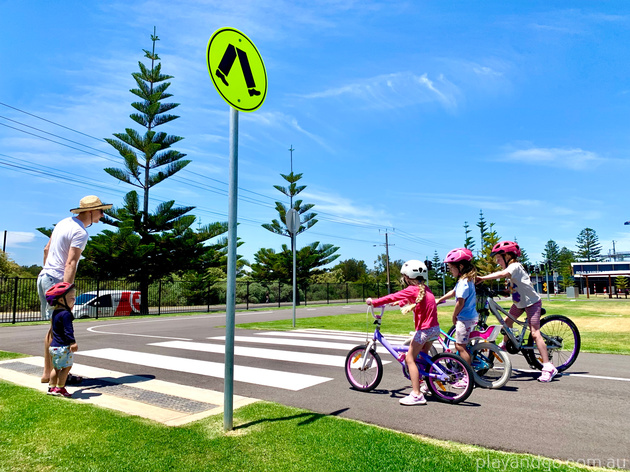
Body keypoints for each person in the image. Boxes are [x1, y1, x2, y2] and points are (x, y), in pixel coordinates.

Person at [37, 195, 112, 383]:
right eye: (101, 211)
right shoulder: (80, 232)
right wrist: (65, 292)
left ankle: (48, 373)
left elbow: (46, 250)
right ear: (90, 211)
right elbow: (70, 262)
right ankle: (57, 376)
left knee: (53, 328)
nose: (102, 215)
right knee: (60, 329)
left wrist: (48, 272)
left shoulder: (62, 223)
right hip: (57, 279)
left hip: (45, 276)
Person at [477, 241, 558, 382]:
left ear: (507, 255)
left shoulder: (515, 266)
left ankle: (548, 367)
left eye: (499, 258)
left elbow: (502, 273)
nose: (497, 261)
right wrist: (498, 292)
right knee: (506, 323)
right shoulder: (511, 272)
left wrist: (482, 278)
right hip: (519, 304)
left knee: (534, 333)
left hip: (532, 303)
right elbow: (510, 291)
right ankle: (505, 345)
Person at [366, 260, 439, 406]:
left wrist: (374, 302)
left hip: (424, 330)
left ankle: (417, 395)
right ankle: (428, 385)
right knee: (423, 358)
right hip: (434, 330)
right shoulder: (425, 288)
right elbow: (413, 299)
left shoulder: (412, 289)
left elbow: (393, 295)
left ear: (407, 277)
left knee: (409, 359)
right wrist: (399, 303)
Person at [436, 248, 478, 387]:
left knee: (460, 346)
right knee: (462, 345)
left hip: (464, 318)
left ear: (460, 266)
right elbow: (453, 292)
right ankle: (461, 370)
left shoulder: (464, 282)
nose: (450, 270)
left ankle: (467, 377)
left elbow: (460, 302)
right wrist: (439, 299)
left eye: (451, 267)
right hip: (471, 317)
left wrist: (454, 316)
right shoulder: (466, 280)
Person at [45, 282, 78, 398]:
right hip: (63, 347)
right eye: (71, 298)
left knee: (56, 368)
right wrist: (72, 342)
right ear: (61, 300)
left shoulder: (55, 313)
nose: (73, 301)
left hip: (54, 346)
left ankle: (52, 386)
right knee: (66, 367)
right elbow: (68, 330)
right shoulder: (66, 314)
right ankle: (60, 388)